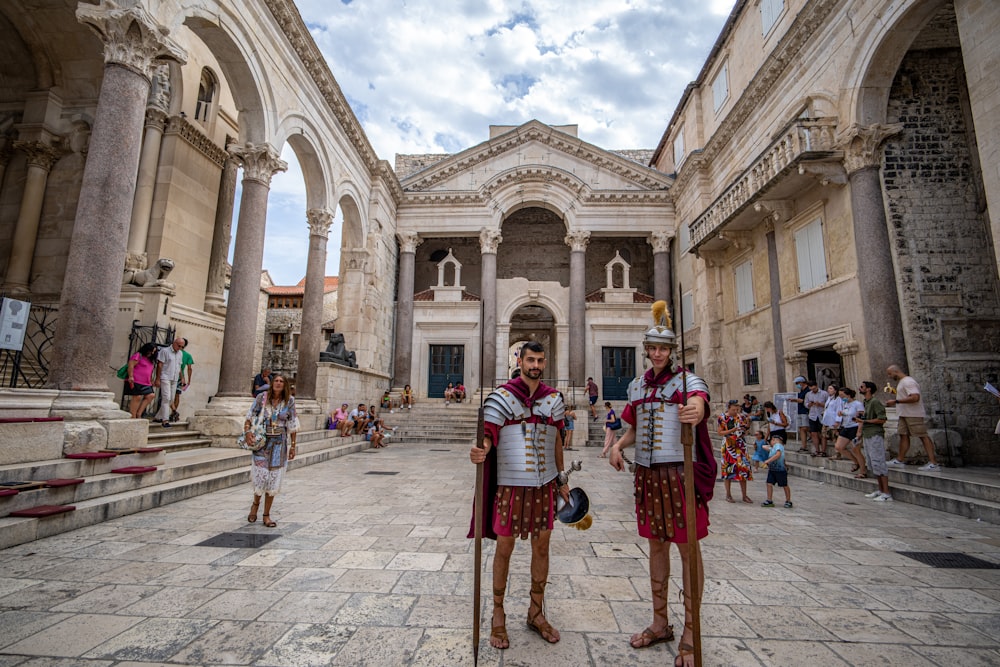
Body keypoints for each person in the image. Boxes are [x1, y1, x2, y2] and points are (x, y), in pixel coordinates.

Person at [607, 300, 715, 665]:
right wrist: (619, 446)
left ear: (672, 351)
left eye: (663, 348)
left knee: (688, 550)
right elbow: (635, 427)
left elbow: (700, 403)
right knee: (655, 548)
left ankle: (691, 629)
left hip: (680, 475)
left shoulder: (688, 381)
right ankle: (659, 622)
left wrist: (696, 410)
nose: (657, 353)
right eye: (652, 348)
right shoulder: (637, 387)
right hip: (649, 477)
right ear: (646, 350)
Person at [468, 341, 570, 650]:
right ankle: (498, 613)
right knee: (504, 548)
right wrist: (480, 452)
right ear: (520, 360)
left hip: (543, 486)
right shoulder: (501, 398)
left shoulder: (553, 399)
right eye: (530, 359)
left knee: (542, 548)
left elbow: (556, 443)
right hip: (510, 486)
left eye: (540, 360)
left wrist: (562, 479)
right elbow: (488, 437)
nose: (535, 365)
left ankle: (536, 612)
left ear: (545, 361)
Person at [243, 374, 299, 528]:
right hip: (262, 442)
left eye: (282, 381)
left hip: (279, 444)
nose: (278, 383)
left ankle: (266, 514)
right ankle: (255, 504)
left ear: (285, 385)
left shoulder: (290, 401)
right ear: (272, 383)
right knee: (261, 477)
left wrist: (293, 446)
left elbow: (293, 425)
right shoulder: (262, 397)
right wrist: (248, 433)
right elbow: (250, 416)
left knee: (273, 479)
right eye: (276, 381)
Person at [885, 365, 940, 471]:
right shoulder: (902, 382)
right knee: (903, 435)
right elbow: (907, 394)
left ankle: (933, 462)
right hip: (904, 413)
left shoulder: (908, 382)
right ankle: (900, 459)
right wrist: (896, 393)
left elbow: (915, 397)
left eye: (890, 374)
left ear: (896, 371)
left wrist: (896, 401)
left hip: (913, 414)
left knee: (923, 436)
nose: (889, 376)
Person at [858, 381, 892, 502]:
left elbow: (882, 419)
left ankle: (886, 492)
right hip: (867, 434)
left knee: (879, 461)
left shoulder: (875, 402)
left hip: (875, 434)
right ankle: (880, 489)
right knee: (873, 462)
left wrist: (866, 421)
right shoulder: (866, 402)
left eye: (862, 387)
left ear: (868, 389)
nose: (859, 388)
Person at [718, 399, 753, 503]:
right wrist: (732, 431)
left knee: (743, 469)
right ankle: (728, 494)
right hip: (728, 445)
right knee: (728, 469)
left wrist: (744, 430)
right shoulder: (722, 418)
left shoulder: (741, 417)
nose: (735, 411)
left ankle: (744, 495)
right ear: (729, 408)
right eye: (733, 409)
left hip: (740, 444)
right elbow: (720, 432)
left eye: (737, 409)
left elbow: (745, 429)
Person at [835, 387, 867, 479]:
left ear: (848, 395)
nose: (841, 397)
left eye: (842, 395)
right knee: (839, 447)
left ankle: (862, 470)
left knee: (856, 449)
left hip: (855, 427)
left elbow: (861, 418)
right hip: (846, 426)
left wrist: (859, 431)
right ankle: (855, 461)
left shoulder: (857, 404)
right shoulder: (845, 404)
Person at [154, 337, 186, 426]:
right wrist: (157, 378)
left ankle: (158, 417)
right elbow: (159, 365)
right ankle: (165, 420)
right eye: (179, 346)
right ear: (174, 343)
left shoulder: (180, 354)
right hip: (165, 376)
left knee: (171, 399)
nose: (180, 348)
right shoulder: (165, 351)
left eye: (182, 347)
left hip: (174, 378)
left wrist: (182, 377)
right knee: (166, 398)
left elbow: (179, 367)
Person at [124, 342, 159, 419]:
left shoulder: (151, 360)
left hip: (146, 382)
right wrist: (130, 376)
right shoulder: (138, 355)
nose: (152, 353)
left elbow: (149, 371)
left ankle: (139, 413)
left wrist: (151, 380)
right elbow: (131, 365)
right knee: (137, 397)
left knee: (151, 395)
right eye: (151, 351)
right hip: (135, 380)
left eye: (154, 351)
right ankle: (133, 415)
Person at [761, 435, 792, 508]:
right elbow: (764, 447)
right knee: (769, 483)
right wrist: (771, 446)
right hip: (772, 469)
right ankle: (769, 500)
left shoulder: (778, 446)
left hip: (779, 470)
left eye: (771, 441)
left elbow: (778, 455)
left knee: (784, 485)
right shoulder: (774, 448)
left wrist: (768, 461)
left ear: (774, 440)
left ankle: (788, 500)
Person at [169, 341, 193, 422]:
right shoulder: (187, 355)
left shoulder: (177, 353)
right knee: (177, 395)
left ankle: (173, 412)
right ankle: (173, 412)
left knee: (169, 395)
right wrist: (189, 380)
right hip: (180, 377)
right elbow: (189, 368)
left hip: (173, 375)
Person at [804, 379, 827, 456]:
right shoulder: (808, 394)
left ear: (816, 386)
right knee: (814, 433)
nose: (813, 390)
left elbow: (829, 405)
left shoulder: (824, 393)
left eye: (814, 388)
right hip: (812, 415)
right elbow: (806, 404)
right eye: (811, 389)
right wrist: (809, 404)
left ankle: (823, 451)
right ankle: (817, 450)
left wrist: (820, 404)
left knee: (823, 434)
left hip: (822, 415)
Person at [820, 384, 842, 458]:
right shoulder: (829, 398)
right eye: (828, 388)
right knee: (825, 435)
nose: (829, 390)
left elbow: (839, 410)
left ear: (835, 391)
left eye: (831, 388)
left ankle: (838, 453)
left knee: (834, 437)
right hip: (826, 420)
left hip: (833, 421)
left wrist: (837, 421)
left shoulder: (838, 399)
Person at [789, 375, 810, 451]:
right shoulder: (801, 391)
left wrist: (797, 400)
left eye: (797, 383)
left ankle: (813, 436)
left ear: (802, 382)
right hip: (800, 410)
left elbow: (805, 401)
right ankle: (803, 446)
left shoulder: (808, 390)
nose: (796, 385)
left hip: (805, 411)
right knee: (801, 428)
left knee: (805, 427)